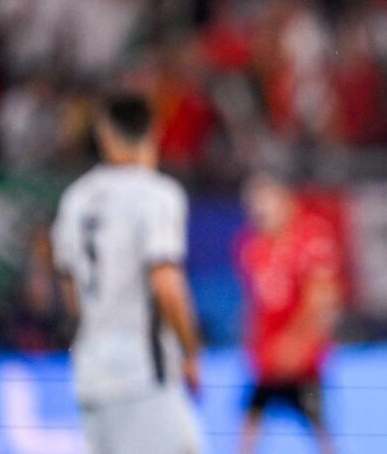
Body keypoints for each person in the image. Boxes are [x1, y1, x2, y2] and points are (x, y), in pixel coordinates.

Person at [51, 93, 203, 454]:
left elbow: (71, 292)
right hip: (143, 373)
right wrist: (190, 351)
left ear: (104, 135)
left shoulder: (75, 199)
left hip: (90, 371)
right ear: (155, 132)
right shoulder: (157, 195)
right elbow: (166, 283)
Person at [236, 172, 341, 454]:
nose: (259, 211)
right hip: (268, 357)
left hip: (301, 359)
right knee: (250, 420)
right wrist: (253, 343)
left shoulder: (311, 238)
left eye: (265, 202)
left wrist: (298, 343)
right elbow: (255, 303)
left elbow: (323, 299)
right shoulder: (252, 247)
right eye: (253, 205)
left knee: (318, 423)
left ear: (285, 200)